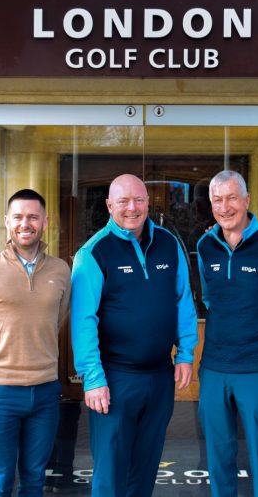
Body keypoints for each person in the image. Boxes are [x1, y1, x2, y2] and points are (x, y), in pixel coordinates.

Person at [70, 173, 199, 497]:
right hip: (115, 379)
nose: (132, 208)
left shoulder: (168, 243)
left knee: (145, 469)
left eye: (138, 200)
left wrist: (185, 354)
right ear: (109, 205)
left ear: (148, 203)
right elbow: (83, 320)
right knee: (110, 473)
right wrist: (92, 378)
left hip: (159, 376)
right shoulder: (93, 253)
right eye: (123, 201)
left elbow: (183, 300)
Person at [196, 170, 258, 497]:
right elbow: (211, 298)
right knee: (218, 457)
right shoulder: (205, 245)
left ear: (246, 200)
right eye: (217, 200)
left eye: (232, 198)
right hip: (214, 368)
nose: (225, 207)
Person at [0, 188, 71, 497]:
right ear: (7, 221)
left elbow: (58, 319)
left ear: (45, 222)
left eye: (33, 217)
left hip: (45, 390)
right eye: (19, 217)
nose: (26, 224)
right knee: (0, 482)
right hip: (0, 392)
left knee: (34, 480)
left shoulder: (61, 270)